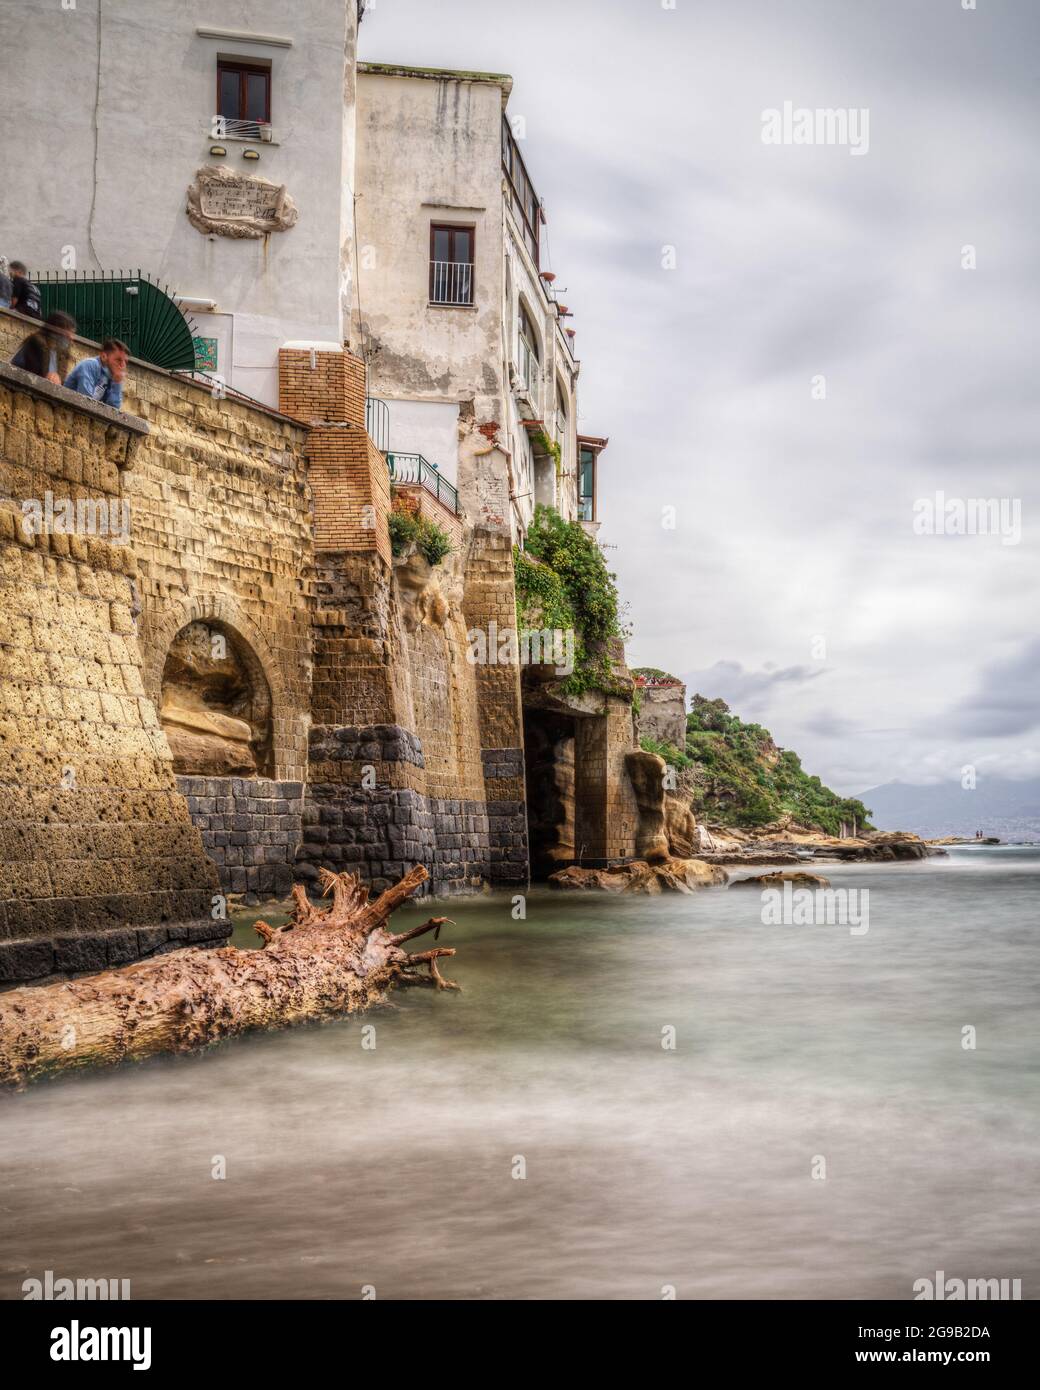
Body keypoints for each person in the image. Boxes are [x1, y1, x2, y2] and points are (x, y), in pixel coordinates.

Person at [10, 310, 77, 385]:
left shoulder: (61, 353)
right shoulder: (35, 343)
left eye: (72, 333)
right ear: (56, 331)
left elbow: (60, 380)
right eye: (68, 333)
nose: (71, 338)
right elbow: (16, 370)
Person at [64, 337, 129, 409]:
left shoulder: (111, 376)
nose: (122, 365)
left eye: (125, 362)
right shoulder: (90, 365)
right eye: (118, 360)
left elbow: (113, 410)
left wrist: (117, 382)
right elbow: (84, 400)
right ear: (104, 356)